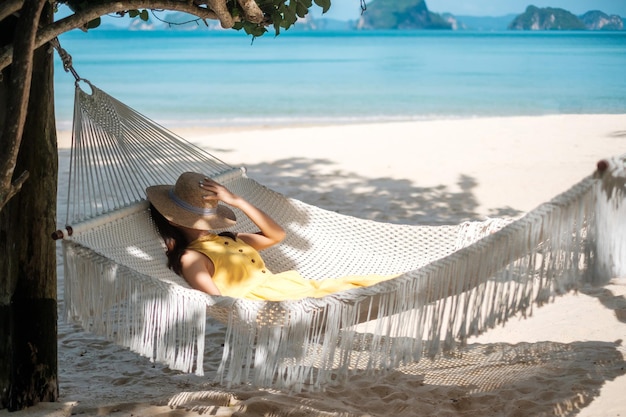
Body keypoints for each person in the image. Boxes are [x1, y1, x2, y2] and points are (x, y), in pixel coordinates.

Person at [146, 171, 396, 301]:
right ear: (173, 219)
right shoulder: (191, 257)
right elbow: (218, 303)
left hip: (299, 290)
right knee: (373, 290)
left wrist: (238, 201)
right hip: (276, 303)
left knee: (372, 283)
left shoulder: (230, 238)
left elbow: (276, 234)